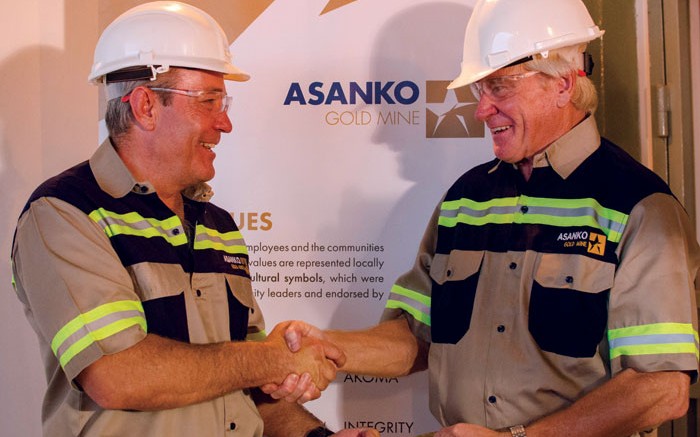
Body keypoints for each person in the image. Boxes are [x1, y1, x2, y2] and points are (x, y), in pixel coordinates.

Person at [266, 0, 700, 435]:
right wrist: (327, 344)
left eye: (500, 87)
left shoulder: (639, 206)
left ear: (564, 84)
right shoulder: (464, 200)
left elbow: (661, 386)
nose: (481, 110)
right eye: (480, 90)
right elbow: (414, 336)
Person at [10, 2, 379, 436]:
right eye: (209, 101)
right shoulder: (64, 213)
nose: (225, 123)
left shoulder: (218, 226)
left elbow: (246, 389)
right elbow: (118, 375)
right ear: (146, 105)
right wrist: (276, 358)